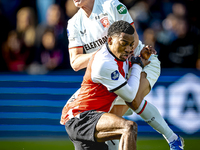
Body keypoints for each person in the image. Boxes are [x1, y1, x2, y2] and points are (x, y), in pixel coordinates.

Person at [66, 0, 184, 149]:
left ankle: (173, 140)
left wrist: (129, 61)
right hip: (112, 72)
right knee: (113, 121)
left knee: (133, 99)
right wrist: (105, 53)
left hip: (141, 61)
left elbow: (133, 40)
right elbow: (75, 62)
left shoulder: (111, 5)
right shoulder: (74, 23)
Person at [61, 20, 149, 150]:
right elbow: (130, 95)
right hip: (81, 118)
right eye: (123, 43)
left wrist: (139, 60)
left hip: (91, 118)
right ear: (110, 41)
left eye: (131, 45)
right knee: (128, 127)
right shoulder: (104, 63)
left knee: (127, 129)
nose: (128, 49)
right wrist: (137, 65)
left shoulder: (119, 56)